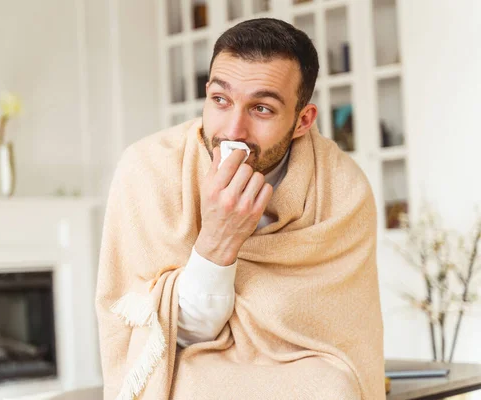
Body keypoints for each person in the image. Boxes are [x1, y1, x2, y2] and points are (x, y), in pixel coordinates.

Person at [95, 18, 385, 400]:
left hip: (301, 368)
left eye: (261, 109)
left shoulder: (341, 190)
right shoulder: (148, 169)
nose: (233, 129)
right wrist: (217, 241)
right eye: (220, 100)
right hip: (190, 363)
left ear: (302, 120)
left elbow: (334, 340)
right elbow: (163, 337)